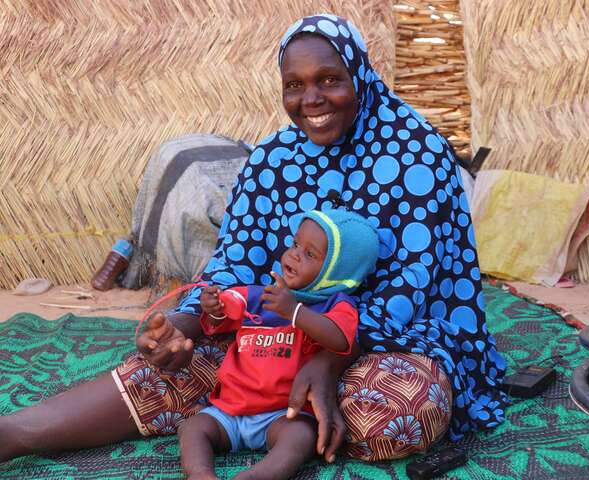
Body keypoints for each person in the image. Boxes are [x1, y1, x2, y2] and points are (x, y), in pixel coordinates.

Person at [0, 14, 507, 466]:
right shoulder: (273, 159)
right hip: (269, 333)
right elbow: (233, 267)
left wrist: (328, 359)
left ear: (360, 76)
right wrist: (185, 323)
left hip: (387, 342)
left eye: (330, 80)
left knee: (395, 411)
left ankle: (263, 414)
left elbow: (407, 293)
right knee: (163, 367)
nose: (311, 101)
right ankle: (12, 435)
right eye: (295, 85)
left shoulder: (418, 153)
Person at [178, 208, 378, 480]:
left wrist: (295, 312)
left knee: (300, 438)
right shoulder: (263, 296)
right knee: (193, 427)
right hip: (229, 410)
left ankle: (258, 475)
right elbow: (229, 308)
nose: (295, 254)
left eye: (310, 254)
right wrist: (213, 307)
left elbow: (341, 339)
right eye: (295, 244)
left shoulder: (335, 306)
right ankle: (200, 473)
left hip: (282, 416)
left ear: (337, 272)